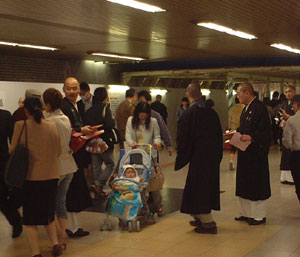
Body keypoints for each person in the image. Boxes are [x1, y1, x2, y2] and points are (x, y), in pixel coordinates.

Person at [9, 97, 62, 257]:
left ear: (26, 110)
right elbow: (58, 151)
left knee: (31, 218)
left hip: (31, 177)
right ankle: (55, 244)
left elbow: (12, 149)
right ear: (42, 108)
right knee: (48, 213)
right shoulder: (52, 126)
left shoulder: (21, 125)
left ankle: (35, 252)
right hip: (52, 176)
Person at [175, 82, 223, 234]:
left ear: (188, 95)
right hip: (211, 157)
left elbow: (182, 137)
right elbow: (218, 135)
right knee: (203, 187)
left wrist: (183, 155)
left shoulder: (190, 113)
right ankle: (198, 216)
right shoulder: (211, 112)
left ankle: (208, 223)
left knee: (198, 189)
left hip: (198, 158)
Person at [43, 88, 78, 248]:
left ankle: (61, 236)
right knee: (60, 203)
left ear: (48, 103)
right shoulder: (64, 118)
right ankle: (62, 234)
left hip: (54, 167)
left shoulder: (48, 121)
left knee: (49, 204)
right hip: (69, 165)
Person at [61, 77, 95, 238]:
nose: (72, 92)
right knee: (68, 191)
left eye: (75, 88)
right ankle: (69, 227)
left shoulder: (75, 106)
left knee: (73, 190)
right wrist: (82, 130)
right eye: (69, 88)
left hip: (75, 154)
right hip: (67, 156)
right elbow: (68, 129)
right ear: (64, 89)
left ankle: (73, 226)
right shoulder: (63, 106)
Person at [235, 82, 272, 225]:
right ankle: (245, 213)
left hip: (256, 154)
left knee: (257, 184)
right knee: (244, 183)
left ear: (247, 93)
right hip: (245, 153)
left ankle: (258, 216)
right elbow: (244, 128)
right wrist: (236, 133)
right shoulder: (246, 109)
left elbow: (266, 132)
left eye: (239, 94)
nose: (238, 97)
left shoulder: (259, 108)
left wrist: (252, 137)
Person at [85, 87, 116, 198]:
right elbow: (110, 124)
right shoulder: (105, 108)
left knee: (96, 166)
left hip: (92, 141)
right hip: (104, 141)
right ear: (105, 96)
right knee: (111, 164)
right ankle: (99, 184)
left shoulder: (89, 110)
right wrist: (112, 119)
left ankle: (99, 190)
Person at [0, 108, 23, 238]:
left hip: (2, 162)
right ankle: (15, 220)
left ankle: (15, 220)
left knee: (3, 197)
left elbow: (14, 138)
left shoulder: (5, 115)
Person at [138, 90, 173, 156]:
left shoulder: (155, 116)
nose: (140, 104)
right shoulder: (134, 115)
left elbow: (163, 130)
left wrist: (169, 145)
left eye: (142, 101)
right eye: (139, 101)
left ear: (149, 102)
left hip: (151, 147)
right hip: (137, 147)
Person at [282, 94, 300, 203]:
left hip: (297, 155)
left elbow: (287, 142)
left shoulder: (292, 120)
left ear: (297, 105)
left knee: (298, 181)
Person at [277, 85, 296, 185]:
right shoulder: (284, 104)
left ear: (294, 92)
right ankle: (285, 176)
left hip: (295, 135)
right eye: (286, 92)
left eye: (290, 91)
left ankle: (292, 177)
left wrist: (288, 117)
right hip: (285, 132)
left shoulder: (297, 104)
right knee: (285, 154)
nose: (288, 93)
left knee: (292, 155)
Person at [228, 97, 244, 171]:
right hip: (242, 129)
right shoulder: (244, 107)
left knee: (233, 148)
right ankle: (242, 164)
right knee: (243, 148)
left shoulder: (232, 109)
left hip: (234, 129)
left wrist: (231, 128)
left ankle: (231, 160)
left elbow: (230, 120)